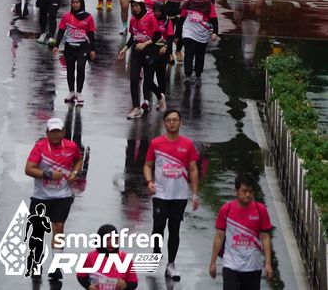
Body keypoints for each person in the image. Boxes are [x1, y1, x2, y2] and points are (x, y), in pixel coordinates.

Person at [143, 109, 199, 281]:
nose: (172, 123)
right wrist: (149, 181)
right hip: (160, 193)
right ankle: (156, 252)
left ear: (180, 122)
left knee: (174, 229)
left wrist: (194, 194)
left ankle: (171, 264)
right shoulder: (156, 143)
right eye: (169, 120)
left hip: (179, 195)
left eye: (175, 120)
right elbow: (147, 165)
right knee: (158, 227)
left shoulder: (188, 144)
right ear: (164, 123)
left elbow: (193, 169)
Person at [24, 117, 82, 271]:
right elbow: (28, 169)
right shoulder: (40, 147)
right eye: (52, 132)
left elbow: (78, 160)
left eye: (58, 131)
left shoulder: (71, 147)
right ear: (47, 133)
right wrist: (48, 174)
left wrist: (75, 173)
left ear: (63, 132)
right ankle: (35, 262)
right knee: (38, 231)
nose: (56, 135)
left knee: (58, 227)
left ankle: (56, 266)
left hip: (62, 195)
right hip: (41, 196)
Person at [209, 173, 273, 288]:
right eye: (244, 191)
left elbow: (265, 237)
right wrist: (213, 262)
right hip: (231, 265)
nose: (247, 194)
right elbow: (219, 236)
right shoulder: (226, 209)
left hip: (253, 266)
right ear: (236, 191)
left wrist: (268, 263)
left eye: (250, 191)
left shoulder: (261, 210)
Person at [118, 0, 163, 118]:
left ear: (142, 6)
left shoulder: (151, 18)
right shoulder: (133, 20)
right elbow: (133, 37)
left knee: (148, 81)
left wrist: (145, 44)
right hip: (137, 51)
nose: (134, 8)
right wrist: (124, 49)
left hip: (149, 51)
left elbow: (157, 36)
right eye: (132, 6)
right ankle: (136, 108)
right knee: (133, 79)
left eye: (137, 6)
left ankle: (160, 96)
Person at [53, 0, 96, 105]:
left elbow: (91, 35)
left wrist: (92, 50)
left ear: (81, 4)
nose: (75, 4)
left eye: (77, 2)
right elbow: (61, 31)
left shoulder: (89, 18)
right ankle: (71, 92)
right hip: (69, 47)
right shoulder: (67, 17)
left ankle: (79, 93)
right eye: (73, 2)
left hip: (83, 47)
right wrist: (56, 45)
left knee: (81, 67)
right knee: (70, 69)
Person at [77, 223, 139, 290]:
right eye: (107, 239)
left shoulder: (125, 258)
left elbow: (134, 282)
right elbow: (80, 276)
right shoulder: (88, 257)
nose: (111, 242)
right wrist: (88, 286)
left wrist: (126, 285)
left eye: (115, 238)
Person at [179, 0, 218, 87]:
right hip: (189, 32)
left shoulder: (208, 4)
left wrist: (215, 32)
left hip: (202, 34)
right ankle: (188, 76)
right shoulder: (189, 2)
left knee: (200, 56)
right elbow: (181, 19)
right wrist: (177, 35)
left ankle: (198, 75)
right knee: (189, 53)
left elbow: (214, 19)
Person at [161, 0, 193, 64]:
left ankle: (178, 50)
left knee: (181, 31)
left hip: (182, 8)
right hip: (170, 7)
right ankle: (169, 53)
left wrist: (188, 2)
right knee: (169, 32)